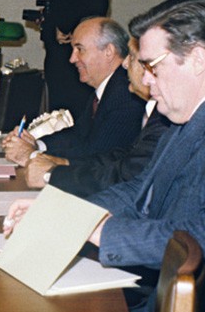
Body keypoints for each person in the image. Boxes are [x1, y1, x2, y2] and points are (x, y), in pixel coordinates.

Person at [5, 0, 205, 312]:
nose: (143, 78)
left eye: (151, 66)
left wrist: (97, 230)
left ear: (197, 59)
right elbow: (139, 191)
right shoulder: (188, 117)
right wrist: (62, 212)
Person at [24, 37, 171, 196]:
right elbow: (121, 156)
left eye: (80, 49)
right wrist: (51, 157)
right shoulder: (106, 92)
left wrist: (51, 173)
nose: (125, 64)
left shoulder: (126, 96)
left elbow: (125, 172)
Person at [3, 17, 144, 165]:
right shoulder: (109, 88)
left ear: (108, 51)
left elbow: (96, 154)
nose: (72, 59)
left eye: (80, 49)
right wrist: (36, 144)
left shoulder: (125, 93)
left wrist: (32, 154)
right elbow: (78, 135)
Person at [37, 0, 110, 117]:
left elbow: (67, 10)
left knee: (65, 112)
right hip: (88, 49)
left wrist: (61, 27)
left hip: (67, 55)